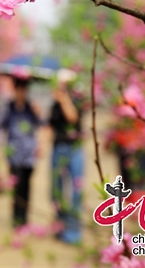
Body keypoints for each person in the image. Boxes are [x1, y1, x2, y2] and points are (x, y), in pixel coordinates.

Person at [0, 75, 42, 229]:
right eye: (19, 90)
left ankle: (24, 219)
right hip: (14, 154)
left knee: (27, 186)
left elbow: (41, 125)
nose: (21, 93)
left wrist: (38, 113)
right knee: (16, 185)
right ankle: (16, 218)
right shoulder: (8, 108)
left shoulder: (32, 108)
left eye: (24, 90)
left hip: (29, 154)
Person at [49, 69, 84, 244]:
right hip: (58, 147)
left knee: (75, 190)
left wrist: (63, 99)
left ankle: (73, 232)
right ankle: (60, 225)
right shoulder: (54, 104)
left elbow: (72, 118)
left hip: (74, 149)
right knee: (57, 189)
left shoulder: (76, 101)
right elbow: (50, 125)